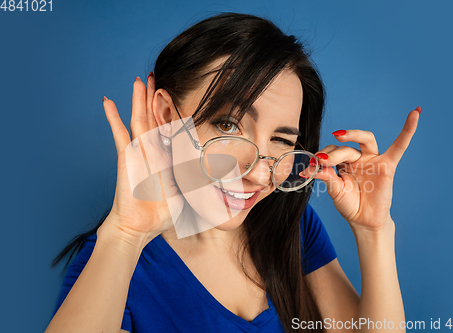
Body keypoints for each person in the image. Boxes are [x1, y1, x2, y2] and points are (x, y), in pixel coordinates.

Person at [46, 12, 419, 333]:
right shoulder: (115, 265)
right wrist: (126, 234)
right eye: (227, 125)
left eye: (280, 139)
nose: (258, 174)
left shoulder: (292, 225)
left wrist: (375, 232)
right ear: (165, 116)